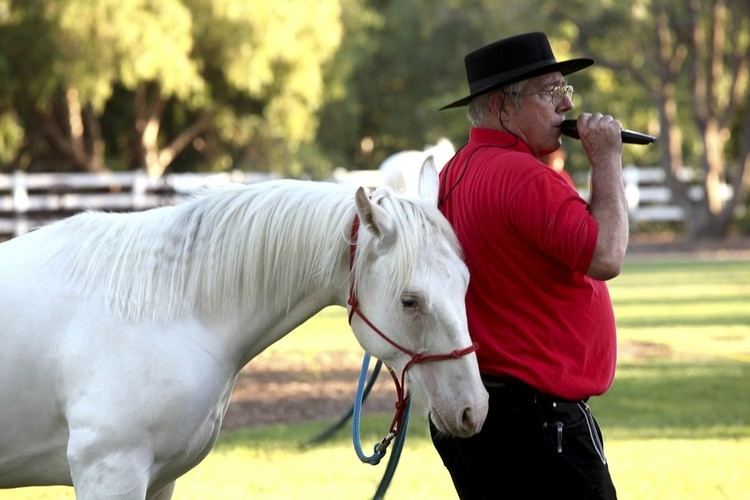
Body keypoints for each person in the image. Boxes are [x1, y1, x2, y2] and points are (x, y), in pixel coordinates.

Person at [431, 32, 627, 499]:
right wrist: (607, 160)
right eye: (549, 92)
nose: (564, 104)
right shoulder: (524, 177)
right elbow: (607, 255)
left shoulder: (454, 173)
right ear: (502, 107)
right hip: (541, 425)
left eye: (565, 90)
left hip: (485, 414)